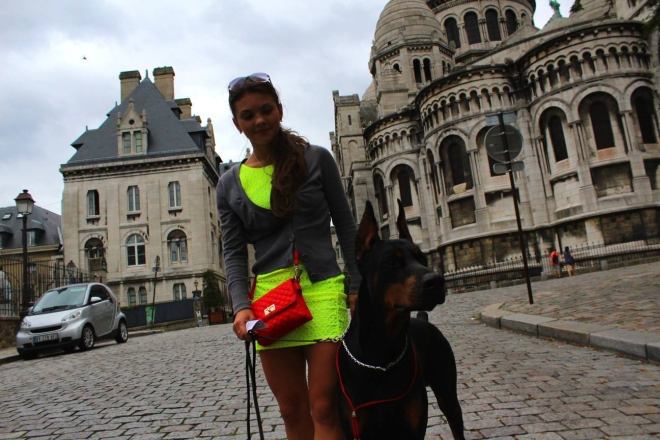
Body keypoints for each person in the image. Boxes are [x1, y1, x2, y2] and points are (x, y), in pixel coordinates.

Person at [216, 72, 361, 440]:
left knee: (324, 406)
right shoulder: (229, 184)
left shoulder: (317, 159)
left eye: (266, 110)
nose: (259, 120)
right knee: (291, 409)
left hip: (323, 289)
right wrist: (240, 306)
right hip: (270, 301)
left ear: (279, 110)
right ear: (237, 124)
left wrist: (357, 285)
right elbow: (233, 251)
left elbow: (346, 226)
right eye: (248, 115)